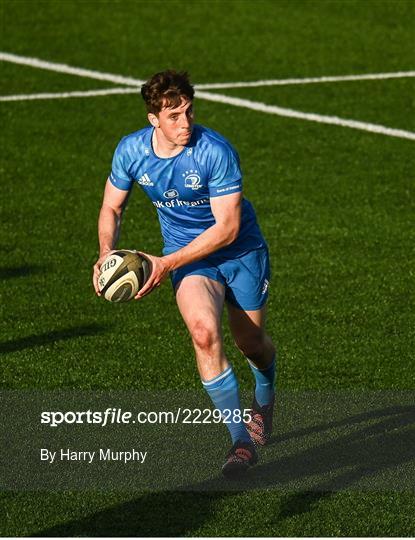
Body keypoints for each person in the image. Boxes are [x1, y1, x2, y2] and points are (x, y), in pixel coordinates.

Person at [93, 70, 277, 479]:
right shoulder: (131, 152)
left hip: (241, 251)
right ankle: (240, 442)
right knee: (203, 333)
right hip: (190, 260)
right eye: (174, 115)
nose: (185, 123)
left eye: (189, 112)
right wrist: (106, 253)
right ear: (153, 120)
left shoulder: (215, 151)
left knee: (252, 344)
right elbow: (112, 207)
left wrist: (164, 263)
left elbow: (227, 228)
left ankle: (263, 401)